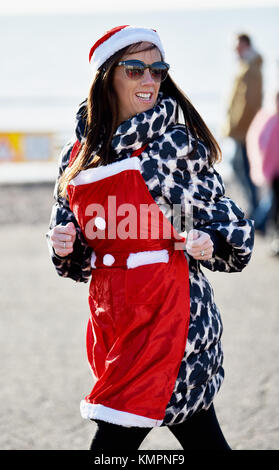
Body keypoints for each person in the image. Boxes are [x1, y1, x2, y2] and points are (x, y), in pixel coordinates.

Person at [46, 25, 254, 451]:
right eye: (136, 69)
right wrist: (64, 243)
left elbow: (235, 230)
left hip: (175, 323)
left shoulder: (173, 147)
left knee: (112, 448)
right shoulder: (77, 156)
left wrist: (208, 240)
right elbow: (73, 247)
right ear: (108, 77)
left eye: (158, 71)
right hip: (115, 324)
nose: (149, 81)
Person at [223, 33, 263, 223]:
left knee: (242, 167)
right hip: (243, 128)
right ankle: (254, 207)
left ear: (246, 45)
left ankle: (255, 208)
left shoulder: (251, 68)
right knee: (242, 166)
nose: (235, 49)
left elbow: (250, 101)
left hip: (245, 129)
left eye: (237, 45)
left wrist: (237, 126)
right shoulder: (247, 66)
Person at [246, 91, 279, 255]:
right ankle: (273, 237)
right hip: (275, 174)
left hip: (274, 172)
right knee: (274, 207)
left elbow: (262, 143)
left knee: (273, 206)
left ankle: (263, 229)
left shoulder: (271, 121)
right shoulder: (270, 121)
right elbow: (262, 144)